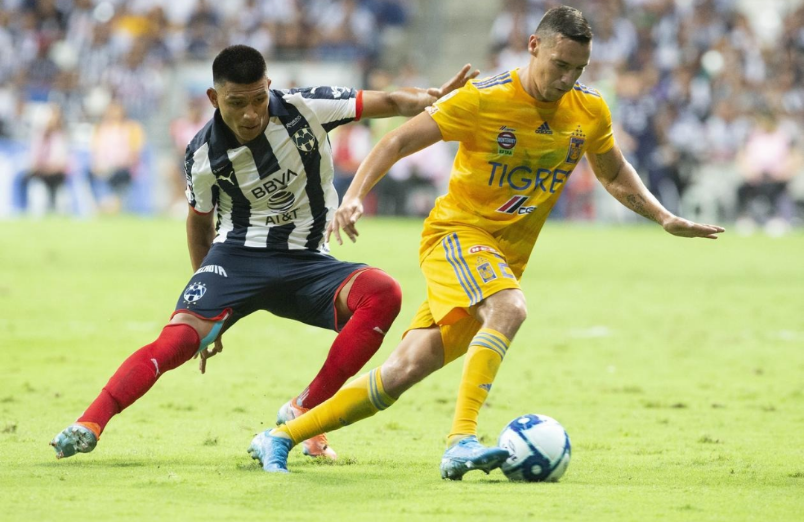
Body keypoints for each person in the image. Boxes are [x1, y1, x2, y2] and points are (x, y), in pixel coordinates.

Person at [248, 6, 724, 479]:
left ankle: (282, 436)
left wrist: (662, 216)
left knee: (405, 370)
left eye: (578, 69)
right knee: (509, 309)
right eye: (560, 66)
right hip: (455, 236)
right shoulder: (483, 98)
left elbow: (613, 171)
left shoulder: (590, 108)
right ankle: (461, 441)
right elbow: (397, 142)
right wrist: (353, 197)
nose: (566, 79)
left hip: (502, 259)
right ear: (533, 46)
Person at [50, 44, 478, 461]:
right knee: (179, 337)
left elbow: (386, 100)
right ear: (214, 98)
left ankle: (304, 410)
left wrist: (430, 98)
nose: (251, 113)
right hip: (236, 259)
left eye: (259, 99)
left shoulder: (304, 107)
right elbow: (199, 223)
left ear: (269, 86)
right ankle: (89, 423)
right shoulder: (202, 153)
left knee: (383, 292)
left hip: (309, 261)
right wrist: (209, 308)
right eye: (237, 103)